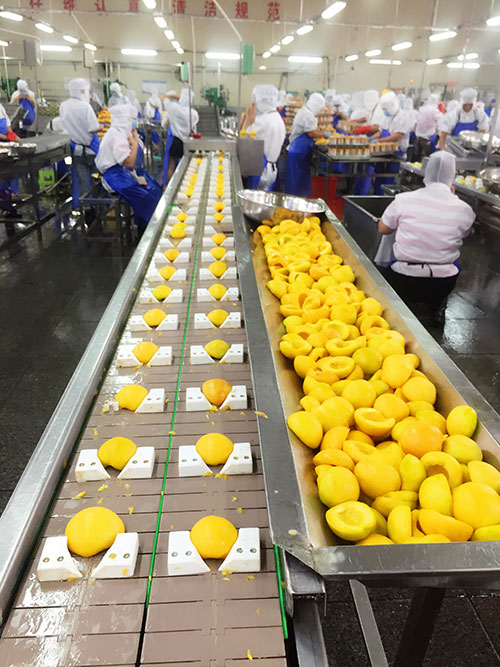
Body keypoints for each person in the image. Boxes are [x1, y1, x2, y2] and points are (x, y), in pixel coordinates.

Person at [377, 151, 474, 325]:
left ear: (426, 175)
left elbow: (383, 229)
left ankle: (395, 310)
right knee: (452, 261)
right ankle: (437, 308)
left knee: (389, 263)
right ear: (452, 178)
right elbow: (463, 235)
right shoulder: (464, 209)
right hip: (443, 284)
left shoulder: (403, 200)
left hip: (404, 280)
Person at [95, 105, 162, 234]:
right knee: (146, 198)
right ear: (124, 120)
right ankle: (149, 230)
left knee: (155, 190)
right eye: (132, 120)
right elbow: (129, 162)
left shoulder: (120, 133)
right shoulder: (116, 135)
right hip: (113, 177)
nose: (134, 123)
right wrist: (135, 143)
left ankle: (144, 224)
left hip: (121, 173)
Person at [59, 78, 100, 209]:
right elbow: (93, 128)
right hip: (90, 148)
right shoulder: (85, 106)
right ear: (83, 91)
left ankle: (85, 209)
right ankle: (97, 206)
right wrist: (101, 126)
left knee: (82, 181)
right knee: (95, 178)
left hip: (75, 148)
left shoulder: (64, 106)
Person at [241, 84, 286, 191]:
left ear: (262, 100)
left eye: (254, 100)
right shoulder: (276, 117)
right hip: (270, 169)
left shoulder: (263, 121)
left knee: (254, 199)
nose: (253, 103)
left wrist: (248, 117)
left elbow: (244, 139)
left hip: (260, 171)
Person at [285, 92, 328, 197]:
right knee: (297, 180)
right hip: (298, 151)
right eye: (320, 108)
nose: (320, 110)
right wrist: (325, 134)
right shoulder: (307, 115)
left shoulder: (304, 111)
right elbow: (312, 133)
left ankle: (295, 199)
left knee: (297, 179)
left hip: (298, 150)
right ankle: (295, 201)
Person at [372, 91, 411, 194]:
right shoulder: (386, 116)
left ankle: (387, 199)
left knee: (390, 178)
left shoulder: (403, 117)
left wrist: (379, 141)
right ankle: (377, 196)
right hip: (383, 152)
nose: (385, 111)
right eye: (383, 109)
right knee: (379, 176)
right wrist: (370, 139)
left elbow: (397, 136)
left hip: (396, 154)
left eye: (386, 109)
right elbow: (381, 132)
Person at [161, 88, 198, 185]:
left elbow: (164, 99)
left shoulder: (174, 108)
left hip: (176, 141)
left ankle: (170, 186)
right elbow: (194, 124)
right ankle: (183, 185)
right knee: (185, 167)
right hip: (187, 142)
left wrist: (171, 96)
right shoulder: (193, 113)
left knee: (171, 167)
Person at [415, 93, 442, 161]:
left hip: (418, 136)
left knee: (418, 157)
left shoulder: (422, 108)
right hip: (428, 138)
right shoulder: (434, 111)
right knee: (427, 159)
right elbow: (442, 120)